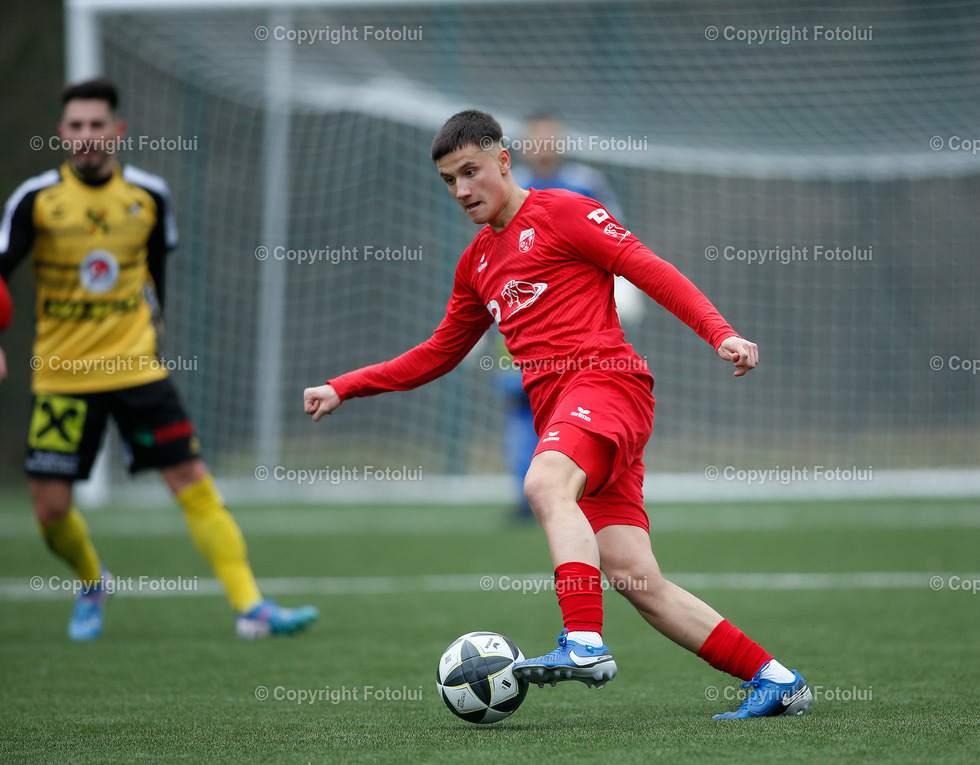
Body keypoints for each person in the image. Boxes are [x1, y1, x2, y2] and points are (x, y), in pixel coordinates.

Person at [303, 110, 811, 718]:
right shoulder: (476, 264)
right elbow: (438, 353)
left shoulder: (565, 212)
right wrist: (345, 386)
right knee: (635, 578)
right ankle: (777, 680)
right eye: (448, 180)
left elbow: (649, 269)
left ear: (503, 161)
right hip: (572, 416)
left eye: (470, 171)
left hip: (608, 383)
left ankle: (584, 643)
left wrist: (719, 332)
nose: (461, 189)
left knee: (544, 484)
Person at [0, 78, 318, 641]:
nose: (86, 135)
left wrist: (153, 336)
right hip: (62, 376)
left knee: (193, 480)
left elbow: (156, 277)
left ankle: (251, 607)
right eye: (76, 125)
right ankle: (93, 582)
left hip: (138, 371)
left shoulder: (149, 195)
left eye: (97, 124)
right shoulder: (35, 200)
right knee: (49, 510)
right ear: (62, 133)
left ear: (117, 131)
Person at [495, 112, 643, 520]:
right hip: (518, 320)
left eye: (551, 138)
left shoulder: (586, 183)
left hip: (575, 322)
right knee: (521, 402)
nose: (544, 146)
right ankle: (525, 497)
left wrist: (624, 288)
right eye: (537, 138)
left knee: (574, 400)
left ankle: (574, 489)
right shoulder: (508, 188)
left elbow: (616, 238)